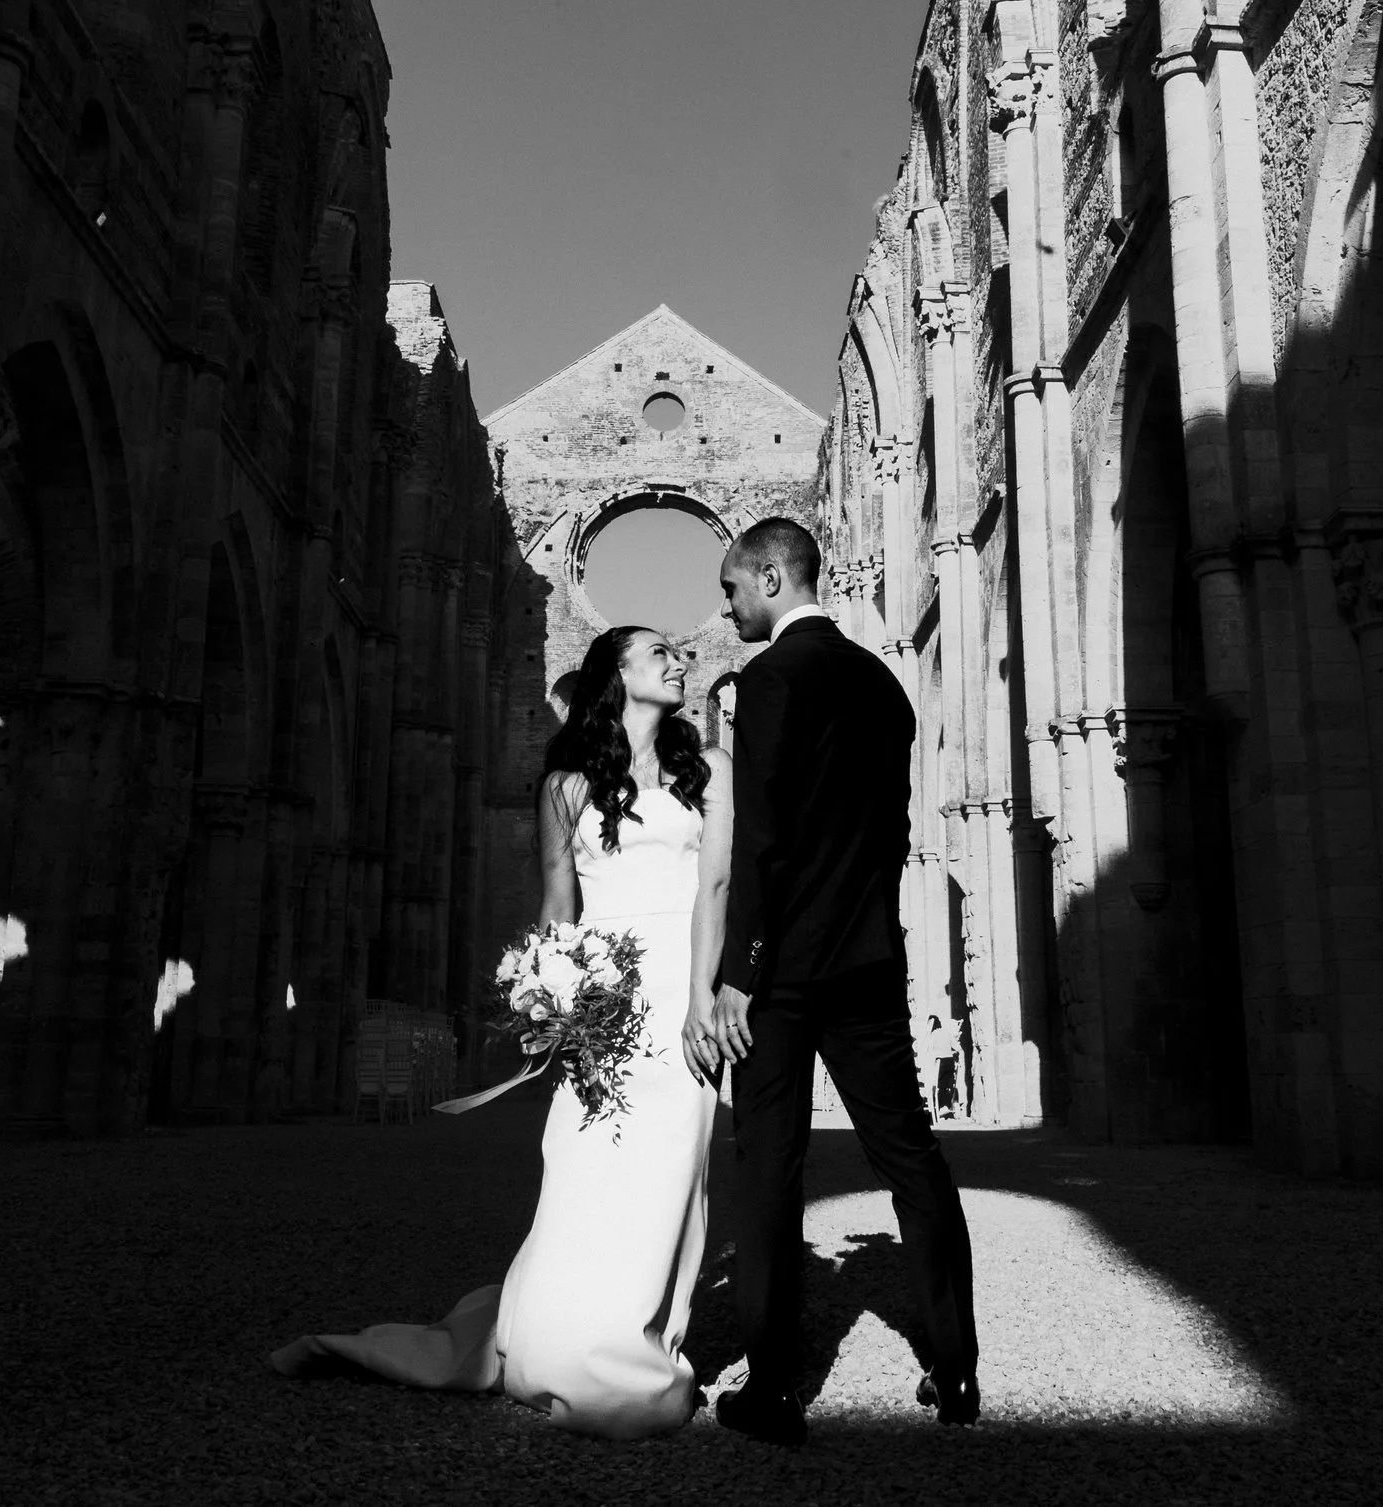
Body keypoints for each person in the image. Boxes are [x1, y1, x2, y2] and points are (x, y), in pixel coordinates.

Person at [272, 625, 730, 1439]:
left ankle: (643, 1332)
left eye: (680, 650)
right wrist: (552, 996)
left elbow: (718, 888)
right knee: (586, 1165)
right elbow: (559, 905)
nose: (680, 659)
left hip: (680, 993)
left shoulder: (712, 772)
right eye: (658, 650)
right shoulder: (564, 787)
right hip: (609, 999)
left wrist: (706, 996)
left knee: (672, 1170)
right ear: (612, 676)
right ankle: (564, 1337)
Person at [697, 516, 979, 1448]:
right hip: (867, 960)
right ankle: (955, 1364)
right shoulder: (886, 685)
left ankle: (775, 1389)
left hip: (780, 975)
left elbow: (765, 836)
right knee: (911, 1156)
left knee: (769, 1167)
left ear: (773, 575)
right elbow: (890, 834)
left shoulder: (772, 679)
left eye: (733, 588)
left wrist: (741, 971)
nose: (727, 605)